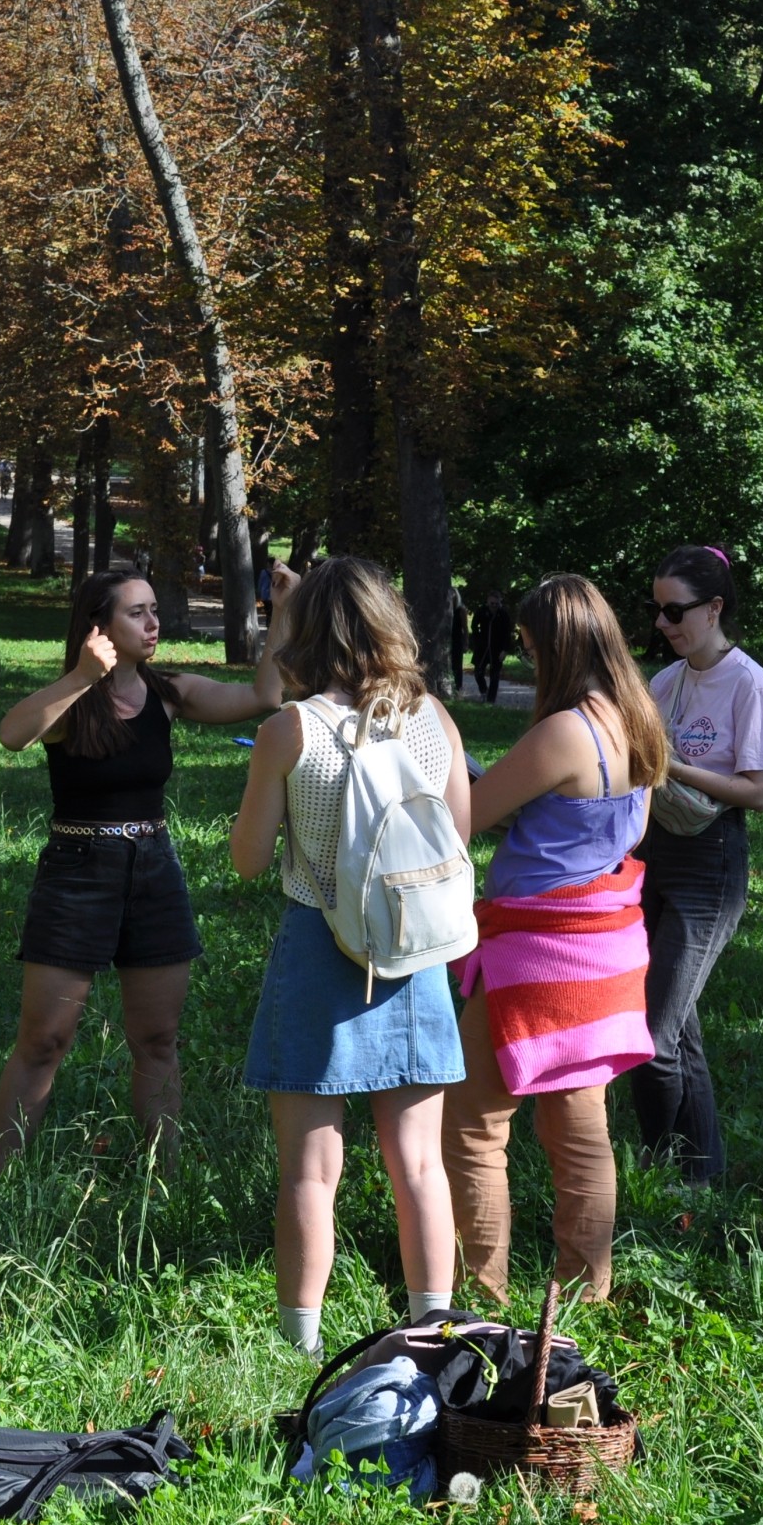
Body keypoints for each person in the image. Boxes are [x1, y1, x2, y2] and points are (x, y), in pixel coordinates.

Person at [229, 557, 473, 1354]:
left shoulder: (289, 730)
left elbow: (249, 858)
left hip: (319, 947)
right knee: (420, 1165)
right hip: (414, 949)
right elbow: (457, 836)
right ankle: (433, 1332)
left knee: (309, 1173)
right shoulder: (434, 721)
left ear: (303, 633)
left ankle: (299, 1345)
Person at [0, 563, 298, 1169]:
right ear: (97, 626)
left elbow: (265, 697)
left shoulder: (169, 692)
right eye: (137, 612)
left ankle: (166, 1174)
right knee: (44, 1040)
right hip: (77, 872)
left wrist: (280, 614)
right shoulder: (71, 699)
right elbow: (12, 734)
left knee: (157, 1041)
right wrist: (83, 675)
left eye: (154, 610)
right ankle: (3, 1177)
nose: (153, 622)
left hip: (153, 870)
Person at [444, 574, 662, 1303]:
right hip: (605, 950)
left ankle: (481, 1290)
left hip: (541, 957)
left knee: (475, 1124)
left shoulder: (566, 730)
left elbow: (465, 818)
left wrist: (445, 754)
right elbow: (586, 827)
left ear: (558, 646)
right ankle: (587, 1288)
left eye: (532, 649)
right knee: (580, 1130)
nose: (528, 663)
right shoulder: (637, 717)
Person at [631, 545, 763, 1186]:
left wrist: (673, 765)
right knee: (677, 1029)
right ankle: (702, 1177)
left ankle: (655, 1172)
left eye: (675, 611)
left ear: (714, 607)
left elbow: (758, 790)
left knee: (652, 1039)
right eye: (657, 613)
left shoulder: (749, 684)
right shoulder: (666, 682)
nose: (664, 625)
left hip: (711, 864)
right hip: (656, 854)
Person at [470, 589, 514, 704]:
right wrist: (477, 639)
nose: (494, 606)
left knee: (494, 676)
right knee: (478, 672)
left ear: (500, 602)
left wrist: (505, 650)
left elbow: (508, 633)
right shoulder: (481, 611)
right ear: (487, 602)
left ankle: (491, 700)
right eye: (491, 603)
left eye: (496, 603)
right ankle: (484, 690)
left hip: (497, 649)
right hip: (482, 648)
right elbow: (474, 625)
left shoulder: (503, 614)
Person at [448, 585, 470, 695]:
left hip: (457, 639)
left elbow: (465, 627)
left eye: (453, 595)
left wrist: (466, 642)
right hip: (448, 639)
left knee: (457, 664)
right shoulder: (445, 611)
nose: (451, 597)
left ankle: (458, 687)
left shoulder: (461, 610)